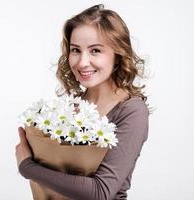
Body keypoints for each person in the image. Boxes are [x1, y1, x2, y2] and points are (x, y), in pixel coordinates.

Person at [15, 4, 150, 200]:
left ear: (118, 53)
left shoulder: (132, 111)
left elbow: (101, 192)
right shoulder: (70, 108)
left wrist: (27, 167)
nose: (82, 62)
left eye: (95, 51)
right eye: (76, 50)